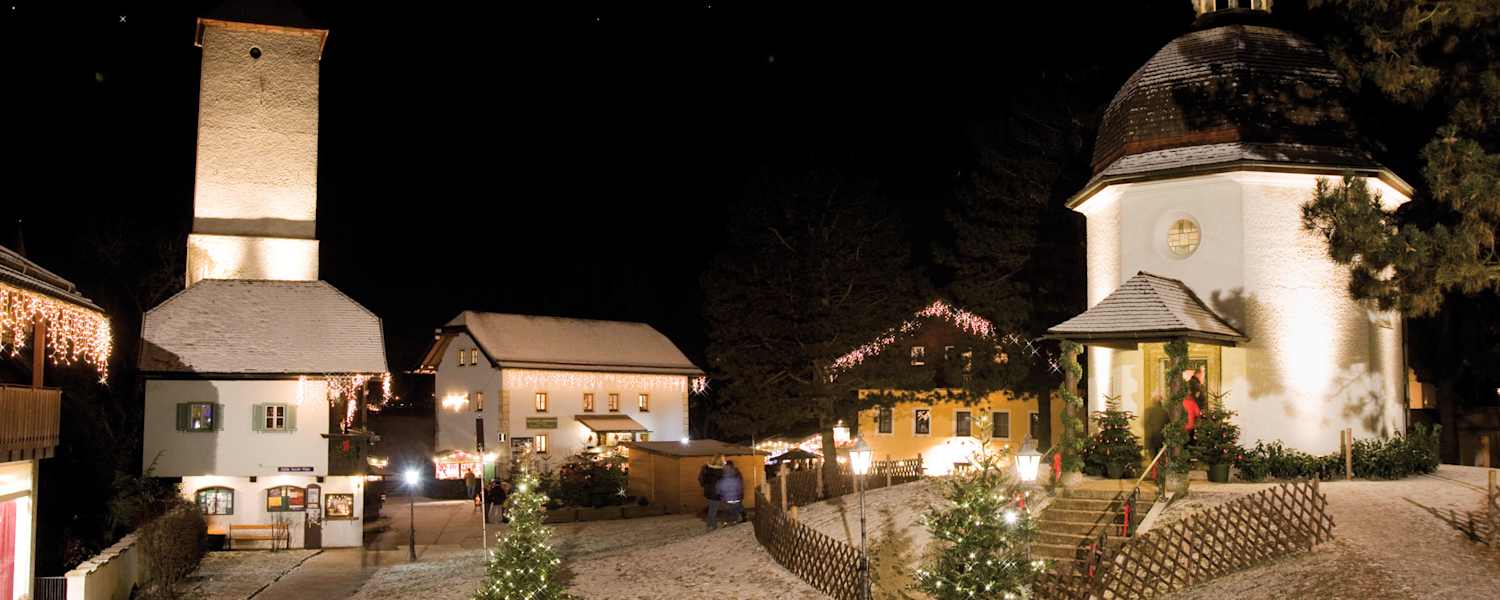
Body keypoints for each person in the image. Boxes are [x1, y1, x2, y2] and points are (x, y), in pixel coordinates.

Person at [698, 454, 725, 531]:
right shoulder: (720, 471)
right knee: (713, 509)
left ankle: (710, 524)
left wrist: (705, 486)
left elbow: (701, 480)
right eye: (723, 458)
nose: (724, 460)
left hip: (709, 492)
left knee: (712, 508)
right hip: (716, 493)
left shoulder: (707, 468)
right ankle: (711, 525)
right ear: (719, 460)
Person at [715, 461, 744, 528]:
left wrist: (720, 495)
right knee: (735, 511)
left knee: (726, 511)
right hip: (736, 499)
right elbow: (740, 489)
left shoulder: (721, 481)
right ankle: (734, 522)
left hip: (726, 500)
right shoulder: (737, 479)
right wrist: (739, 496)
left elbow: (718, 491)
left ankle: (725, 522)